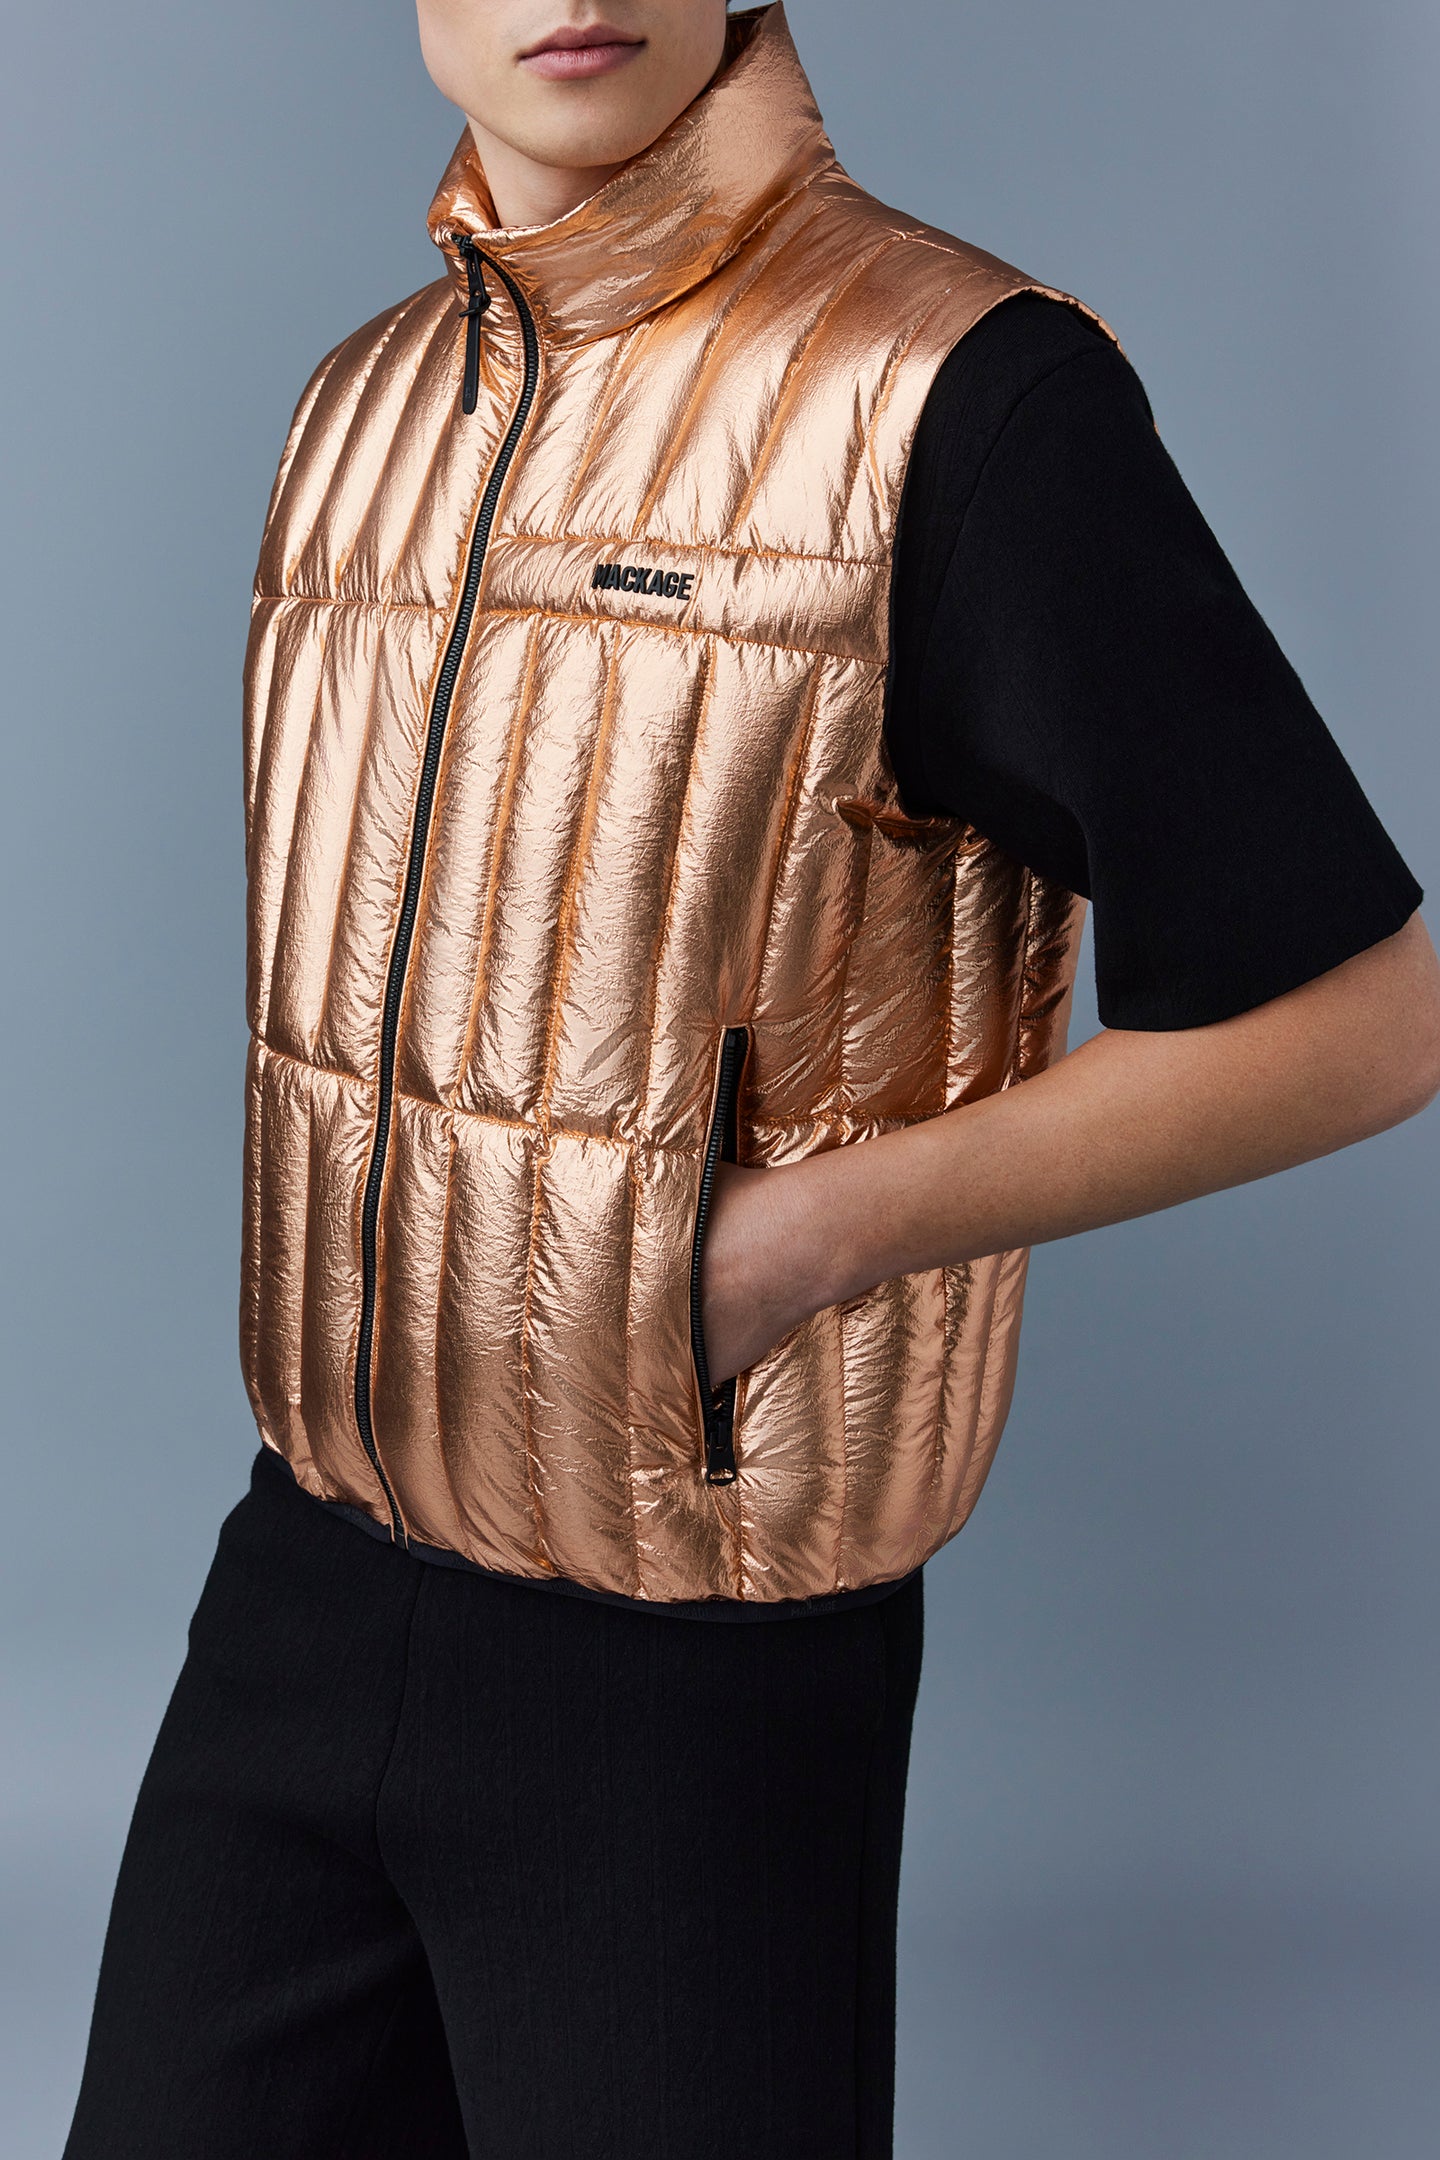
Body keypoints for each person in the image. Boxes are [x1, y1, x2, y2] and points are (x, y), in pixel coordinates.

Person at [63, 4, 1438, 2155]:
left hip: (687, 1663)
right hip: (308, 1576)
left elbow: (1365, 1017)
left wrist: (801, 1240)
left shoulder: (955, 393)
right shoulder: (364, 409)